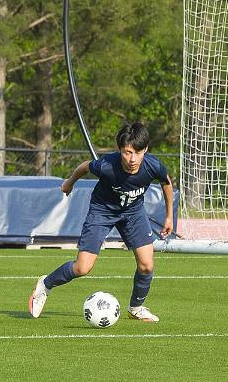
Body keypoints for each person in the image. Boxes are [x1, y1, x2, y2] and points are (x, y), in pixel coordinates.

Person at [29, 122, 174, 322]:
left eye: (138, 153)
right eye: (127, 152)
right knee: (82, 268)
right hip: (102, 211)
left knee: (147, 266)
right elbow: (84, 167)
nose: (133, 159)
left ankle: (136, 307)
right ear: (120, 150)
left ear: (146, 150)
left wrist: (169, 216)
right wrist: (69, 183)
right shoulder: (107, 166)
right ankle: (45, 285)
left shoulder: (153, 166)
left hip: (133, 212)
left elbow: (166, 182)